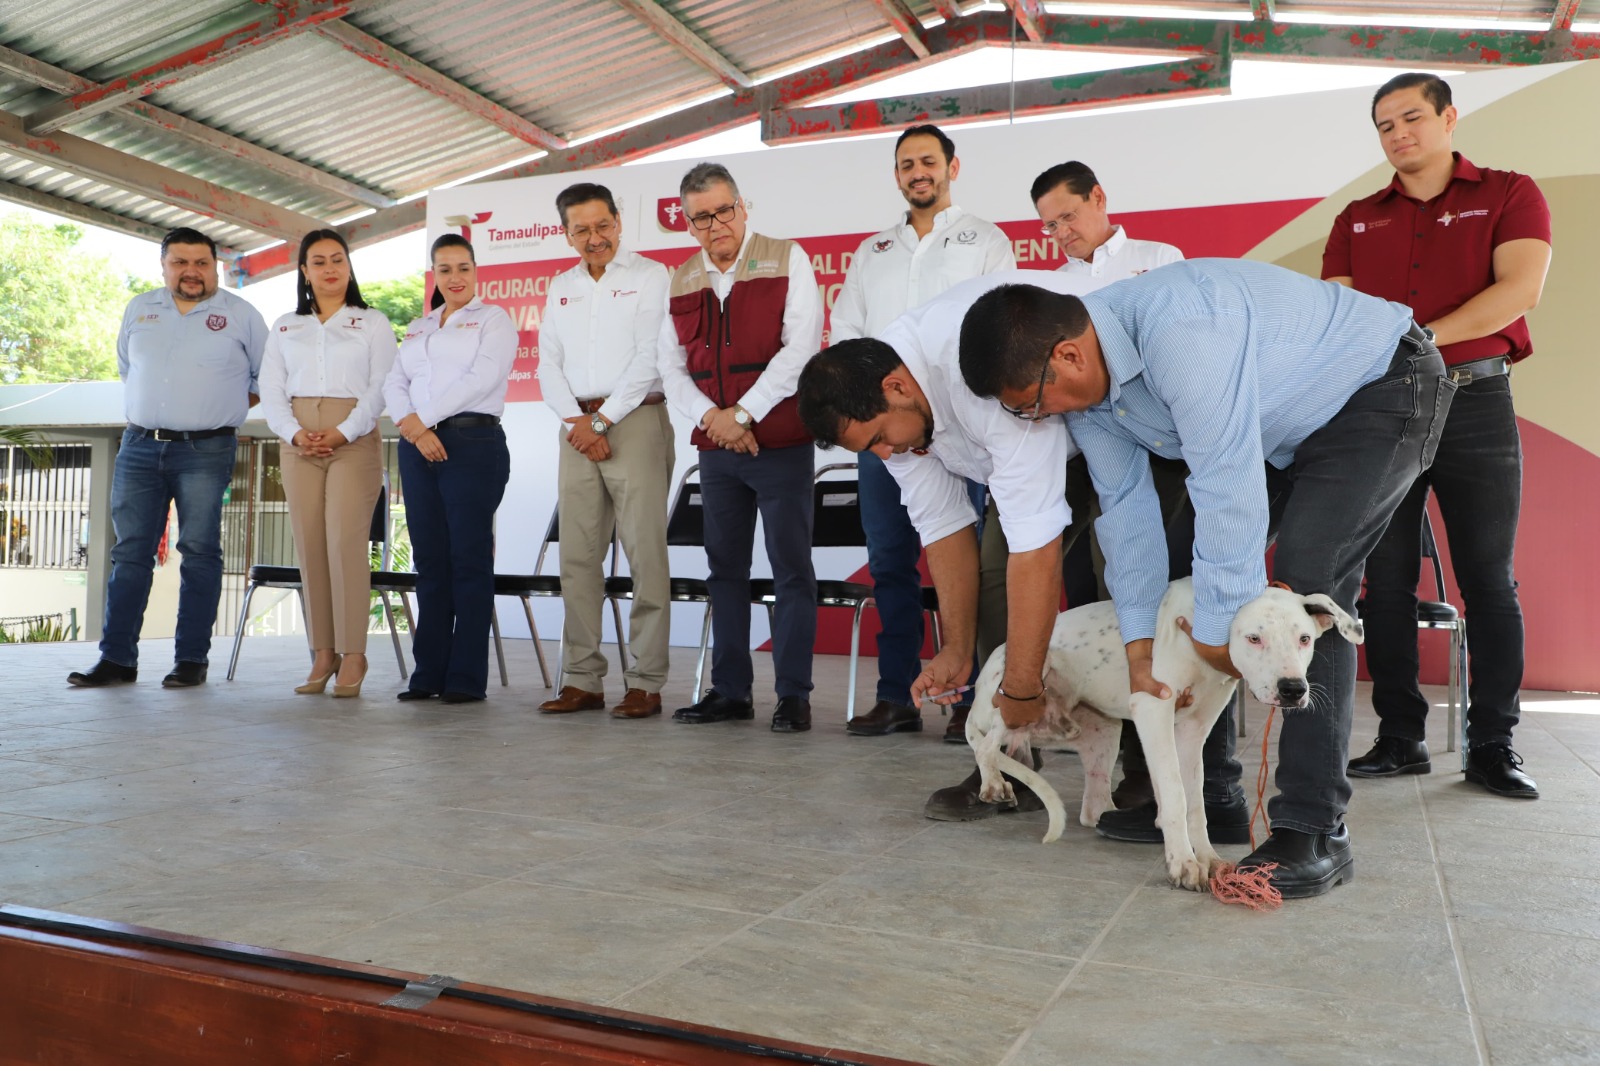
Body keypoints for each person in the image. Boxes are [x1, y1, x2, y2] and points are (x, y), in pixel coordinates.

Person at [955, 259, 1454, 899]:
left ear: (1069, 357)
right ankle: (1211, 801)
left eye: (1030, 404)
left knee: (1300, 592)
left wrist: (1222, 641)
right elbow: (1126, 516)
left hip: (1378, 386)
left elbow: (1227, 488)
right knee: (1188, 573)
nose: (1036, 418)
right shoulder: (1091, 399)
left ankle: (1313, 830)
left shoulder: (1182, 332)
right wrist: (1141, 648)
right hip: (1279, 428)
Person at [1328, 72, 1549, 799]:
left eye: (1412, 118)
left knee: (1490, 580)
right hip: (1381, 409)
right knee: (1384, 583)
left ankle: (1493, 744)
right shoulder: (1357, 217)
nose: (1398, 134)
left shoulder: (1510, 192)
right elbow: (1341, 317)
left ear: (1450, 117)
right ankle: (1400, 737)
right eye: (1385, 125)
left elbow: (1519, 290)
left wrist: (1418, 339)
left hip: (1475, 402)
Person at [1029, 162, 1242, 841]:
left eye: (1068, 216)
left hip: (1167, 452)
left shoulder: (1160, 259)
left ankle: (1183, 776)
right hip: (1088, 453)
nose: (1061, 232)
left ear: (1099, 198)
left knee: (1172, 599)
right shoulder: (1049, 287)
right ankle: (1125, 762)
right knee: (1099, 600)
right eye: (1049, 225)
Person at [829, 124, 1013, 741]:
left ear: (952, 168)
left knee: (978, 562)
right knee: (890, 563)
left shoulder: (985, 240)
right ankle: (897, 694)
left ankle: (974, 696)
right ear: (897, 175)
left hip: (962, 426)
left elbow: (997, 326)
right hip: (884, 430)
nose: (918, 172)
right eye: (907, 164)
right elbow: (844, 335)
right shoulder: (872, 251)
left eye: (928, 161)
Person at [657, 162, 822, 733]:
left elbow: (799, 349)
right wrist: (714, 420)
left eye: (724, 211)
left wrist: (743, 414)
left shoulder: (787, 258)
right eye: (701, 217)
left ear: (742, 207)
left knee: (791, 570)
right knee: (723, 570)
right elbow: (670, 367)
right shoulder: (680, 279)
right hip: (717, 450)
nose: (715, 225)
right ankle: (730, 691)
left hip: (780, 444)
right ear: (688, 223)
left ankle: (793, 694)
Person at [68, 227, 266, 690]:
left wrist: (214, 410)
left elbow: (264, 379)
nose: (191, 271)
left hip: (206, 449)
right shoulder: (140, 308)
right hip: (139, 446)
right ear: (163, 266)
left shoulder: (241, 315)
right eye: (180, 262)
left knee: (199, 552)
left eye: (201, 263)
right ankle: (117, 660)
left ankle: (191, 660)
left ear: (215, 267)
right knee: (129, 554)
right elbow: (129, 368)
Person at [536, 182, 674, 719]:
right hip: (576, 428)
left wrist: (602, 420)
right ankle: (582, 679)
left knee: (644, 554)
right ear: (566, 233)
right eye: (582, 230)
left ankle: (645, 681)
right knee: (577, 557)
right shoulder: (560, 286)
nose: (595, 238)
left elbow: (649, 355)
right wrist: (578, 422)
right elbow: (548, 362)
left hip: (635, 420)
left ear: (618, 221)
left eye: (602, 226)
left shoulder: (650, 276)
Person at [258, 229, 397, 699]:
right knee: (310, 545)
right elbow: (271, 388)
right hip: (297, 438)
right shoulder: (285, 326)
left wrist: (343, 431)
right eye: (318, 261)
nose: (329, 268)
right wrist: (294, 432)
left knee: (344, 542)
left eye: (337, 259)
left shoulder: (371, 321)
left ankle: (354, 651)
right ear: (304, 271)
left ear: (349, 266)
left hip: (351, 436)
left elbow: (381, 385)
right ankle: (323, 651)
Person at [382, 234, 515, 704]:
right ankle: (428, 674)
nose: (454, 278)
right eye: (444, 269)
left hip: (472, 443)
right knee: (429, 561)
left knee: (468, 559)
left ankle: (465, 677)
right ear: (434, 275)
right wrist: (412, 426)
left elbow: (483, 378)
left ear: (475, 271)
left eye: (463, 268)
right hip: (417, 444)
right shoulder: (419, 327)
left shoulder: (493, 319)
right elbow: (395, 380)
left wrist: (424, 420)